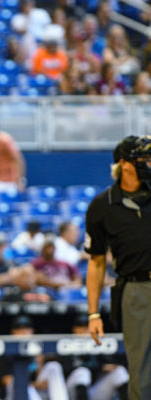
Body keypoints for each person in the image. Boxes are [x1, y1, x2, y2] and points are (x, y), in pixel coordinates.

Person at [86, 135, 151, 399]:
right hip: (136, 290)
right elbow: (97, 261)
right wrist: (93, 314)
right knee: (142, 371)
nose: (149, 162)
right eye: (145, 157)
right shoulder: (102, 206)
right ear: (125, 164)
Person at [65, 314, 129, 400]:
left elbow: (111, 362)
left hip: (94, 390)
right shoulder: (66, 344)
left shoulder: (96, 343)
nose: (85, 330)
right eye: (81, 327)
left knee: (120, 372)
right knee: (82, 373)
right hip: (69, 392)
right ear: (74, 329)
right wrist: (100, 367)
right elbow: (69, 367)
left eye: (87, 327)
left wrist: (104, 365)